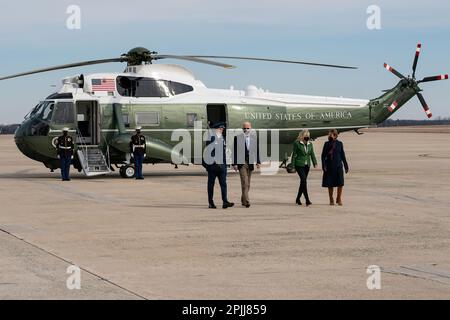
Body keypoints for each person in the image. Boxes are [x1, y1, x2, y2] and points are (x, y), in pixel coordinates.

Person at [204, 122, 234, 209]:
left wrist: (226, 163)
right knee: (211, 185)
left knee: (223, 184)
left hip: (222, 166)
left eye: (222, 129)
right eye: (220, 129)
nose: (222, 130)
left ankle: (225, 202)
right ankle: (211, 203)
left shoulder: (222, 138)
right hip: (213, 166)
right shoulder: (211, 138)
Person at [232, 121, 260, 208]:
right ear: (242, 129)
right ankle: (247, 201)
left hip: (250, 162)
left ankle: (243, 200)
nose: (246, 129)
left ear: (250, 128)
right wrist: (234, 163)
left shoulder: (254, 139)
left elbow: (256, 151)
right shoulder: (237, 138)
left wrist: (258, 161)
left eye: (248, 128)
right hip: (241, 163)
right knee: (244, 182)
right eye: (244, 128)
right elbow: (234, 151)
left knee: (248, 184)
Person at [321, 129, 349, 206]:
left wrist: (346, 166)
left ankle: (339, 198)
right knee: (330, 183)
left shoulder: (340, 144)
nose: (329, 136)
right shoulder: (326, 144)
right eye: (329, 134)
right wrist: (324, 166)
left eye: (331, 134)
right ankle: (331, 198)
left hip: (338, 166)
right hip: (329, 166)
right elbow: (323, 156)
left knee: (340, 183)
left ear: (336, 135)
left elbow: (343, 155)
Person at [292, 129, 317, 206]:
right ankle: (307, 200)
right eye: (306, 136)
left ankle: (298, 198)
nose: (307, 137)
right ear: (302, 136)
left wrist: (315, 162)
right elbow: (294, 155)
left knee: (303, 182)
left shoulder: (310, 144)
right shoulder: (297, 143)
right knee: (304, 180)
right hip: (299, 164)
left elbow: (312, 154)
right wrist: (293, 166)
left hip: (307, 165)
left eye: (308, 136)